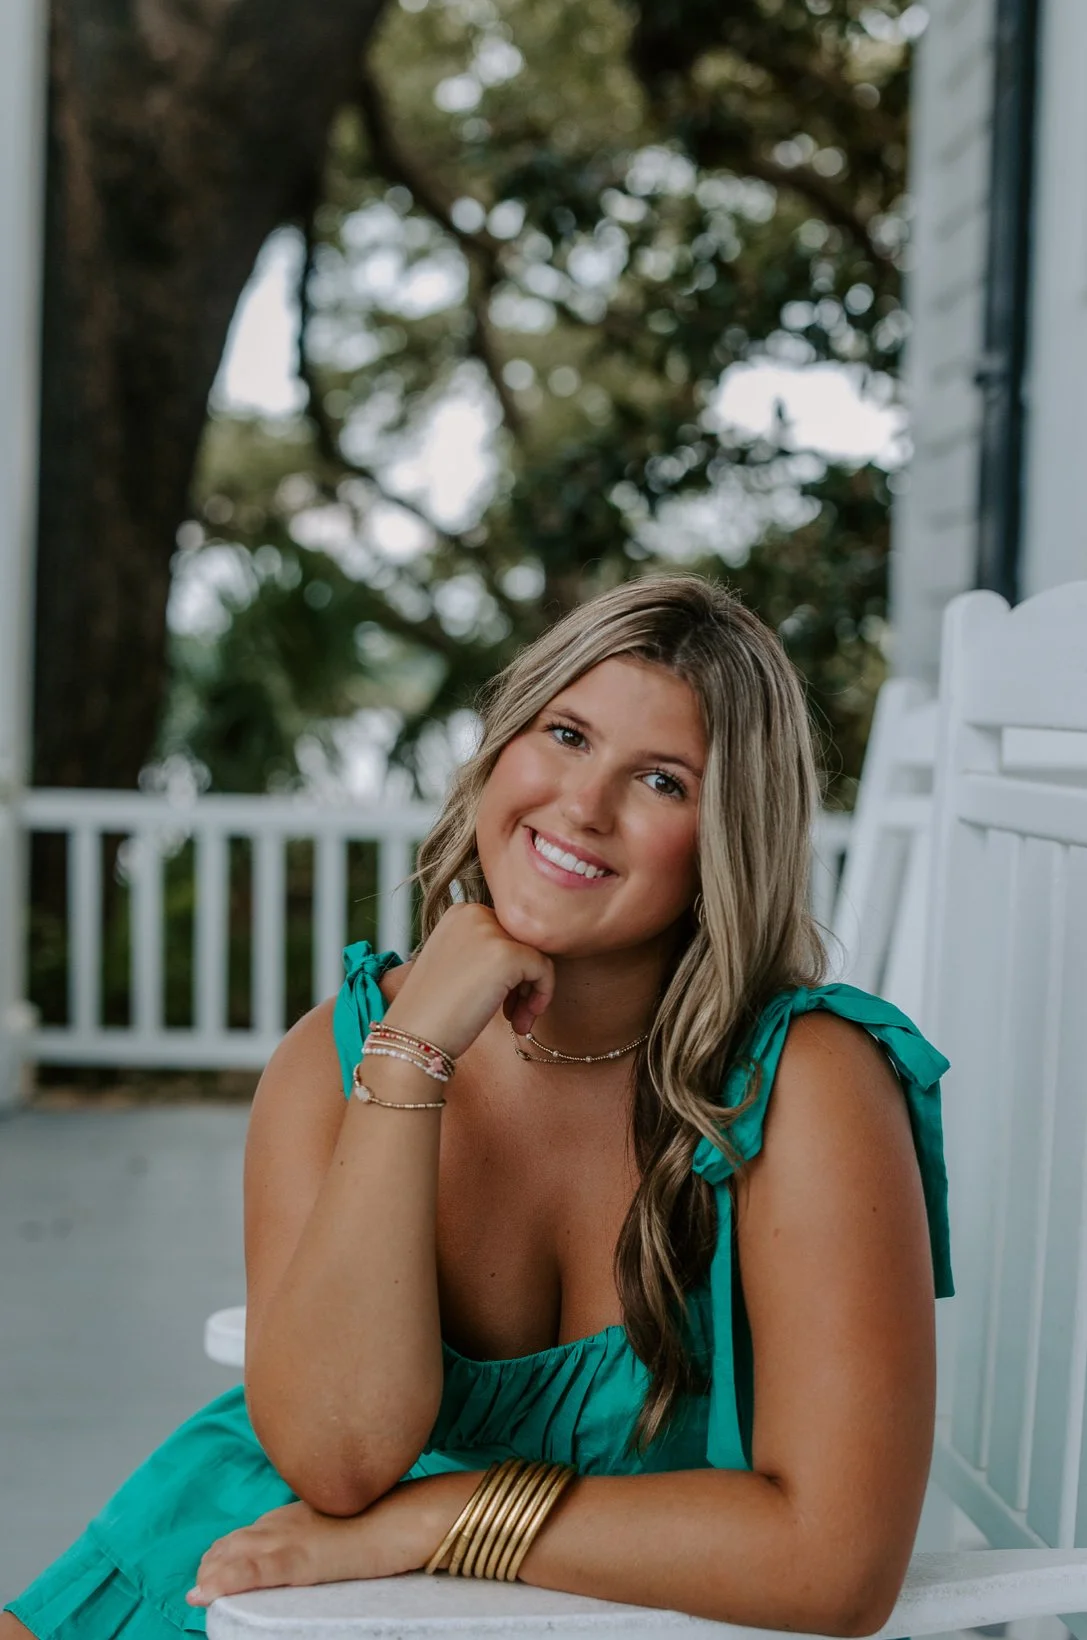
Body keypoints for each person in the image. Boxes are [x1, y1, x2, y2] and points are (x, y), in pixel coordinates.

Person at [2, 573, 953, 1638]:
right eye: (566, 734)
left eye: (662, 780)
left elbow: (833, 1564)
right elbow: (335, 1462)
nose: (583, 805)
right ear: (503, 747)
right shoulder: (335, 1053)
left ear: (727, 838)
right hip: (254, 1571)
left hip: (498, 1601)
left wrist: (438, 1518)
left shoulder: (806, 1085)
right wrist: (409, 1061)